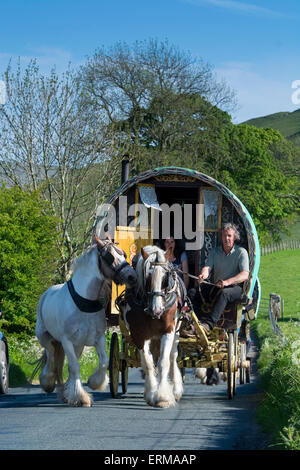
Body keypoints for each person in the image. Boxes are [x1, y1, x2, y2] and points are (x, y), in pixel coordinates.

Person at [193, 223, 249, 333]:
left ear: (234, 237)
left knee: (225, 293)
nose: (226, 238)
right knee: (192, 292)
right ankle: (196, 323)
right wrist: (203, 275)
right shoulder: (215, 252)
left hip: (235, 289)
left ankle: (208, 325)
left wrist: (227, 282)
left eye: (229, 236)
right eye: (224, 236)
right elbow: (207, 268)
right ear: (221, 237)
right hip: (217, 286)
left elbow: (244, 275)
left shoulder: (241, 252)